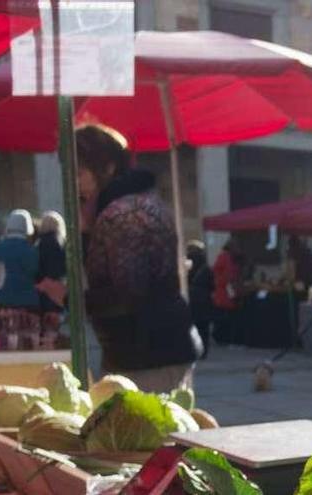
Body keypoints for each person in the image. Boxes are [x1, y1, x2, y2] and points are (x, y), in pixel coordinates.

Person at [76, 125, 202, 393]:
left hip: (147, 354)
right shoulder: (133, 205)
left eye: (80, 172)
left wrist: (70, 298)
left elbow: (129, 295)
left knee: (142, 432)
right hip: (146, 350)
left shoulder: (123, 214)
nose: (76, 182)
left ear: (107, 167)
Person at [0, 210, 40, 348]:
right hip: (30, 304)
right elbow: (36, 272)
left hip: (4, 302)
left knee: (7, 342)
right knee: (31, 341)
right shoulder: (32, 250)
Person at [35, 211, 67, 342]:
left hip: (42, 290)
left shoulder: (39, 243)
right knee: (54, 329)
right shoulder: (61, 242)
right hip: (56, 292)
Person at [212, 238, 244, 346]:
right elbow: (226, 274)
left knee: (226, 317)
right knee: (225, 317)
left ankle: (223, 338)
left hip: (227, 291)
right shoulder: (225, 257)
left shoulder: (229, 258)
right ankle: (223, 338)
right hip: (225, 291)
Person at [187, 240, 214, 360]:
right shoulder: (206, 268)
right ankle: (203, 351)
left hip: (190, 298)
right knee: (204, 326)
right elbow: (212, 285)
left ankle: (194, 349)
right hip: (204, 299)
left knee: (193, 326)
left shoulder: (187, 265)